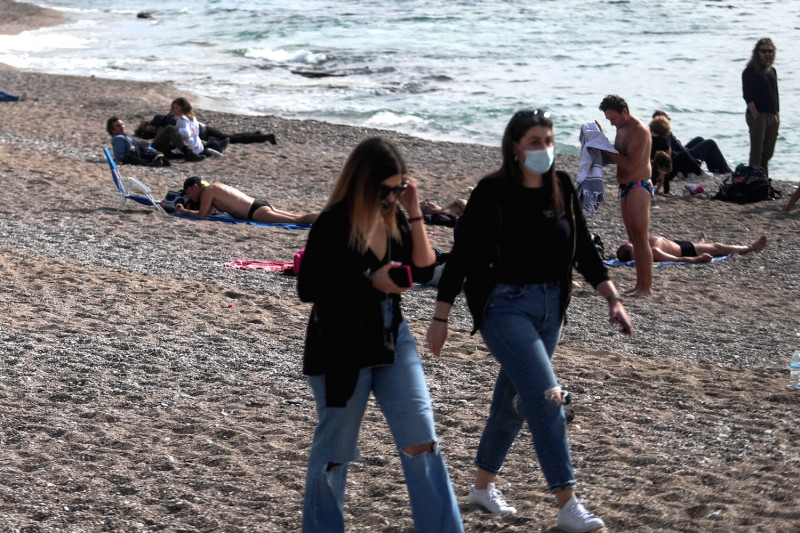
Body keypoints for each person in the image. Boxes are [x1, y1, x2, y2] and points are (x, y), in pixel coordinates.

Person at [427, 109, 633, 533]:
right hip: (503, 309)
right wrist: (440, 317)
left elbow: (583, 250)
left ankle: (482, 487)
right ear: (516, 148)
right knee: (546, 398)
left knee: (511, 401)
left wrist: (612, 298)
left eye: (549, 141)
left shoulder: (561, 186)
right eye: (535, 142)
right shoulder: (492, 191)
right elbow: (463, 256)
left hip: (550, 309)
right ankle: (568, 503)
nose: (545, 149)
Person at [297, 137, 463, 533]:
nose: (391, 197)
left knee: (422, 440)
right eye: (386, 189)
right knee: (335, 454)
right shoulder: (334, 222)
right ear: (363, 183)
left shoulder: (394, 216)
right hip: (339, 346)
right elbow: (309, 287)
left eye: (398, 187)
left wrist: (414, 209)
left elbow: (424, 268)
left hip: (392, 336)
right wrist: (370, 280)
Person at [598, 94, 654, 296]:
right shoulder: (621, 128)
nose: (612, 123)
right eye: (608, 120)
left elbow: (630, 164)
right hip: (625, 187)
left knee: (641, 238)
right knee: (633, 239)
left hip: (639, 186)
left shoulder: (639, 131)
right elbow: (618, 155)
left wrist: (604, 145)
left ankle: (646, 287)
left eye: (613, 118)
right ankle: (639, 285)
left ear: (625, 112)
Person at [175, 176, 318, 224]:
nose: (189, 197)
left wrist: (184, 211)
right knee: (297, 216)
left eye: (189, 193)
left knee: (298, 220)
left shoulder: (208, 191)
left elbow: (201, 215)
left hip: (255, 212)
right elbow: (208, 212)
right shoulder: (213, 189)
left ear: (195, 187)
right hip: (258, 205)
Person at [651, 110, 731, 176]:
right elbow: (668, 153)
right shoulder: (663, 134)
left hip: (681, 152)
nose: (669, 121)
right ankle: (724, 171)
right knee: (710, 143)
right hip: (682, 158)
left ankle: (715, 168)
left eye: (669, 119)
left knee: (699, 139)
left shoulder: (657, 133)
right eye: (667, 119)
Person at [742, 38, 779, 176]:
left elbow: (775, 93)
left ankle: (763, 180)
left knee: (768, 153)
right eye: (764, 51)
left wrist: (777, 114)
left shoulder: (772, 70)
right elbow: (747, 95)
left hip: (772, 115)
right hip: (758, 115)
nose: (767, 54)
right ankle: (753, 180)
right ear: (757, 52)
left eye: (770, 51)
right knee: (757, 152)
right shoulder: (750, 71)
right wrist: (755, 114)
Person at [616, 234, 768, 263]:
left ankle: (701, 242)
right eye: (629, 244)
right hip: (688, 250)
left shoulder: (642, 246)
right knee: (718, 247)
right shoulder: (653, 252)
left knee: (706, 244)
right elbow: (677, 259)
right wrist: (697, 259)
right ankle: (752, 247)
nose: (630, 242)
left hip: (676, 243)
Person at [105, 116, 190, 166]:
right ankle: (188, 152)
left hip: (150, 146)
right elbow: (119, 157)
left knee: (173, 138)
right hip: (151, 148)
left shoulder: (122, 136)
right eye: (118, 126)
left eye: (122, 124)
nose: (122, 126)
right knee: (169, 129)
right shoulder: (118, 139)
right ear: (112, 130)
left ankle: (187, 152)